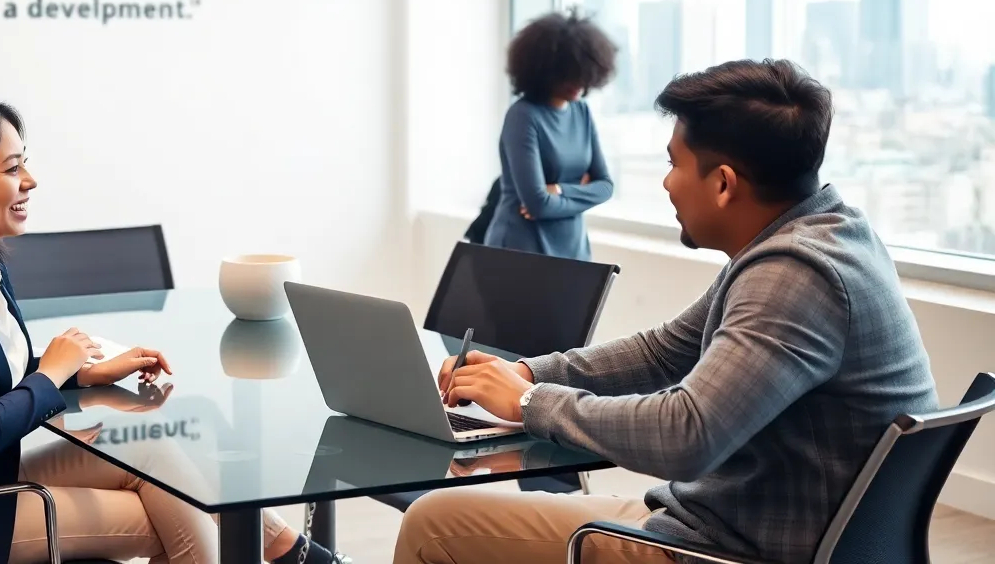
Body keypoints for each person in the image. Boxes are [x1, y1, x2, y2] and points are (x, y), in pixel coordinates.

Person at [397, 60, 939, 564]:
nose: (666, 182)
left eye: (674, 163)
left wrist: (529, 402)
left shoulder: (795, 276)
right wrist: (527, 373)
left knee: (432, 523)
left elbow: (687, 435)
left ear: (723, 183)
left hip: (724, 551)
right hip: (723, 524)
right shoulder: (819, 237)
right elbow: (662, 353)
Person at [0, 98, 342, 564]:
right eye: (12, 169)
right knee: (173, 511)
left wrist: (85, 374)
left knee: (162, 452)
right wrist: (53, 374)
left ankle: (295, 553)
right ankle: (302, 557)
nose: (31, 181)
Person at [484, 8, 617, 260]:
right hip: (521, 248)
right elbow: (537, 204)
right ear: (544, 71)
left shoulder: (581, 112)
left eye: (581, 74)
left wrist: (558, 190)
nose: (577, 83)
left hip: (573, 248)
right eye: (566, 75)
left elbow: (606, 186)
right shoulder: (523, 115)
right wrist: (580, 191)